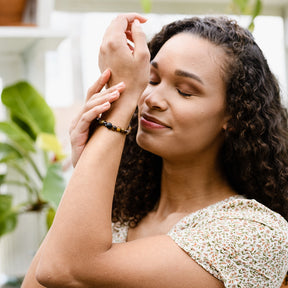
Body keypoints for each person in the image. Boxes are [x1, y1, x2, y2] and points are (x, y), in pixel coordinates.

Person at [22, 13, 288, 288]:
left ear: (233, 116)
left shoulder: (254, 233)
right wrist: (89, 160)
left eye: (185, 91)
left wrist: (118, 108)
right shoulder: (119, 217)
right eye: (150, 79)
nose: (152, 98)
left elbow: (64, 269)